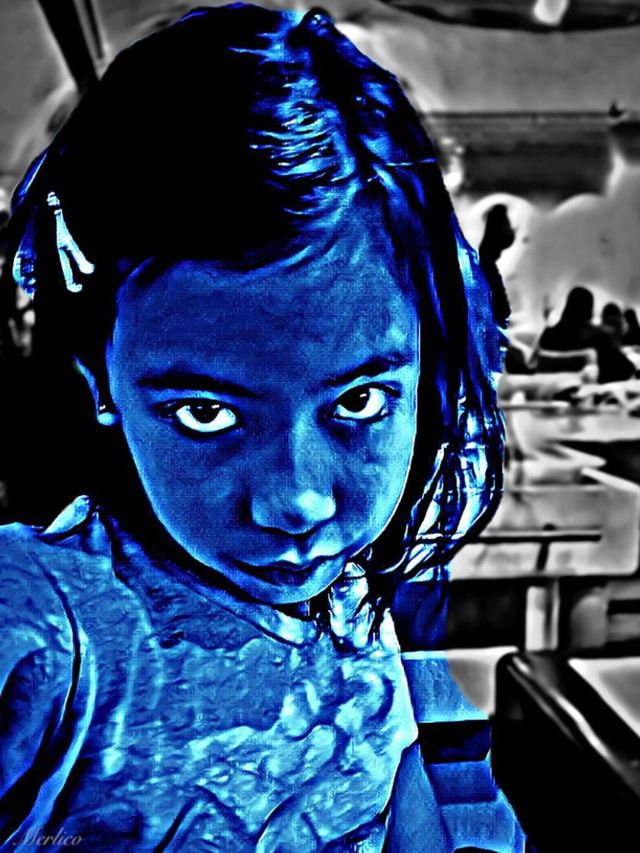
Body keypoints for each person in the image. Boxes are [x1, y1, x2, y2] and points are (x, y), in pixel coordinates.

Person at [1, 6, 513, 850]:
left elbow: (394, 793)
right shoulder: (48, 626)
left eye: (359, 402)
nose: (298, 502)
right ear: (98, 377)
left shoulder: (342, 589)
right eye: (206, 412)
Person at [539, 285, 635, 383]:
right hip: (586, 390)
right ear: (590, 312)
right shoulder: (598, 340)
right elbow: (626, 370)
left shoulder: (547, 336)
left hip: (546, 389)